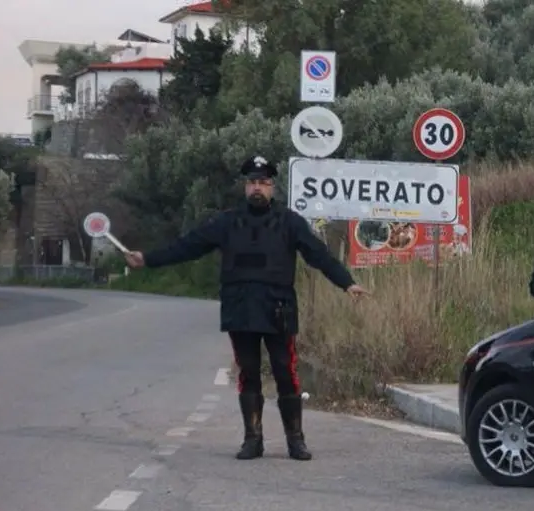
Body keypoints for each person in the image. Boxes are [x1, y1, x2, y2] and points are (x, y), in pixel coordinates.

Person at [123, 155, 367, 461]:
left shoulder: (289, 222)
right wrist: (148, 259)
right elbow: (188, 246)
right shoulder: (226, 222)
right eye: (252, 182)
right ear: (245, 186)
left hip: (278, 309)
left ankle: (296, 440)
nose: (257, 188)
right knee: (247, 373)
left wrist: (347, 282)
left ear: (272, 187)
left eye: (263, 183)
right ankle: (253, 439)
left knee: (285, 372)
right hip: (240, 308)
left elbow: (319, 255)